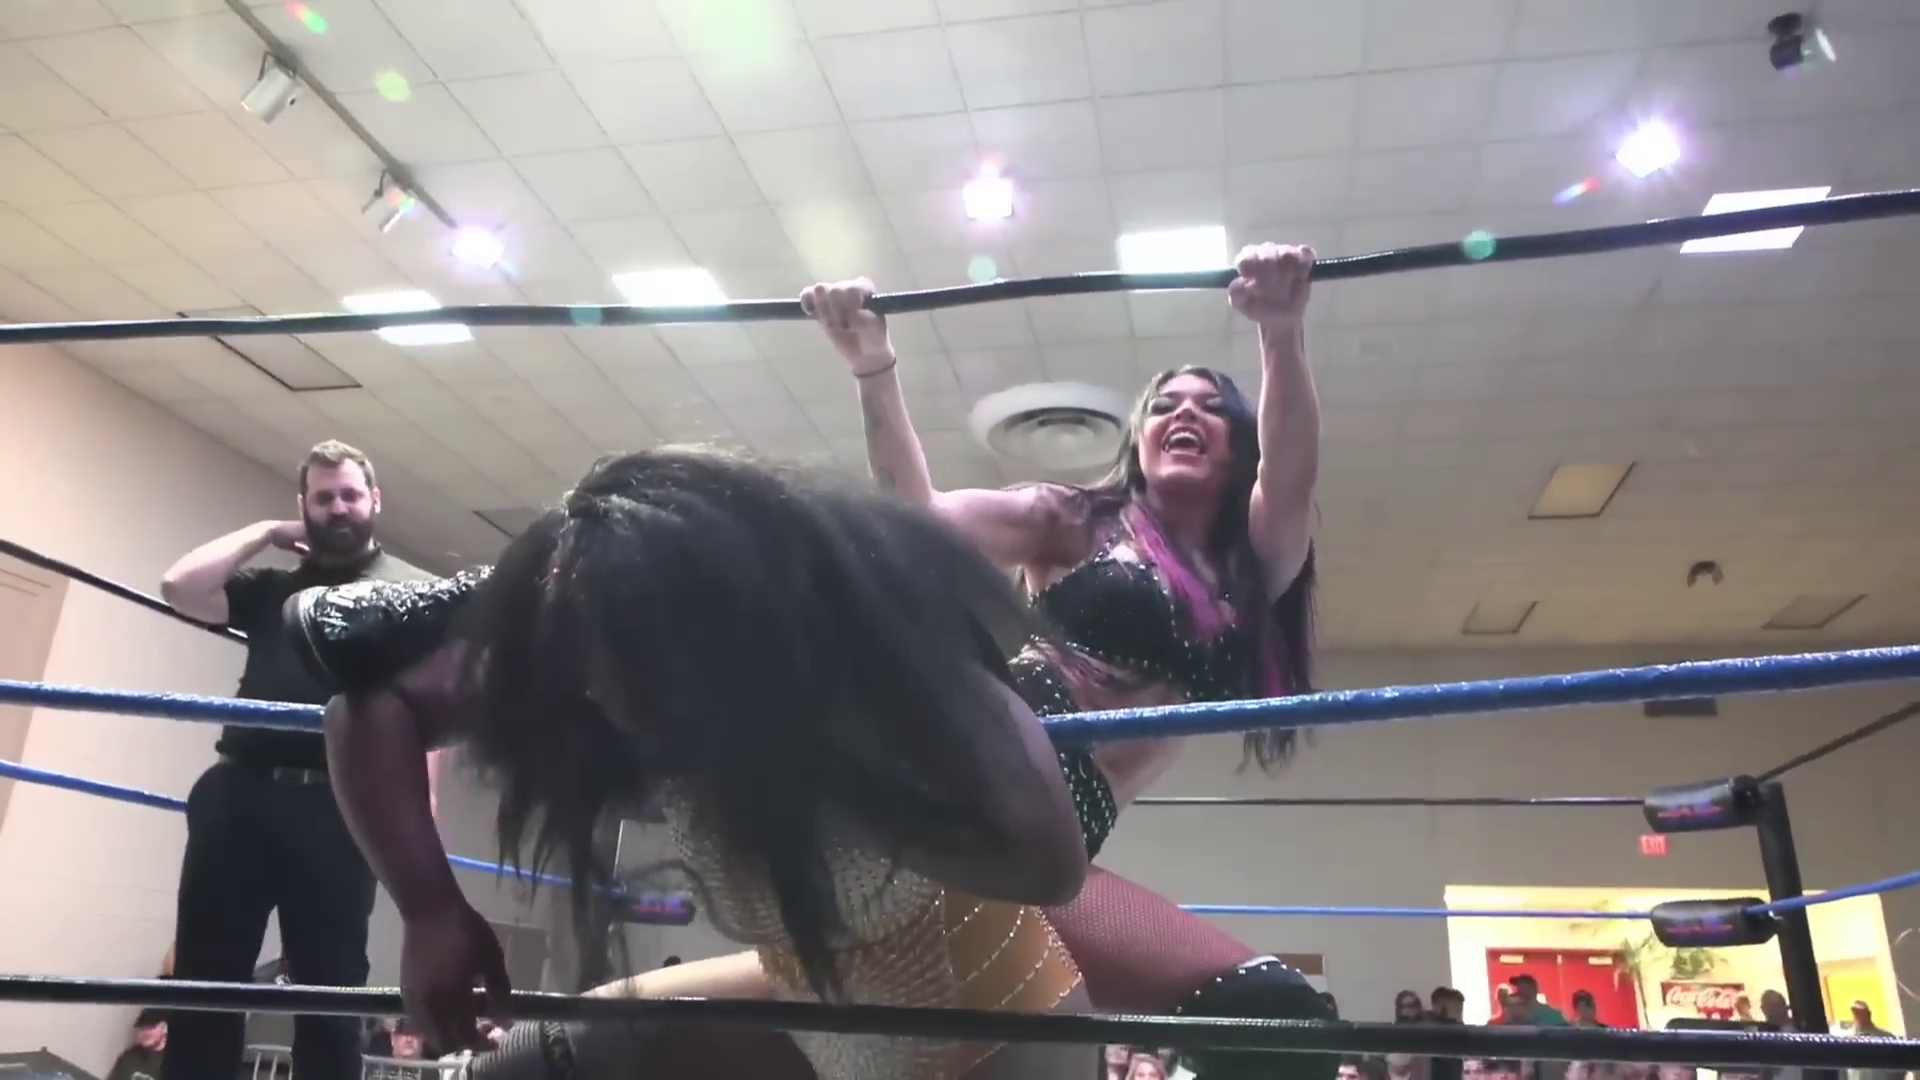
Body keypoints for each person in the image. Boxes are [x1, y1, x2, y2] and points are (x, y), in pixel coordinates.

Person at [302, 448, 1100, 1080]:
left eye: (617, 659)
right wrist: (430, 911)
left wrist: (790, 755)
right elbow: (366, 706)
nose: (597, 689)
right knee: (524, 1065)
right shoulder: (591, 640)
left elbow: (1051, 862)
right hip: (816, 1010)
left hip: (994, 1037)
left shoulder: (861, 665)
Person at [157, 440, 438, 1080]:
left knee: (331, 992)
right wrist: (263, 531)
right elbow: (179, 586)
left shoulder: (414, 590)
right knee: (204, 981)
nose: (338, 508)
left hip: (341, 806)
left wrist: (420, 814)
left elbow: (432, 708)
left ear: (375, 500)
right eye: (323, 497)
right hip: (239, 795)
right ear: (304, 506)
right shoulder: (274, 587)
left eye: (350, 495)